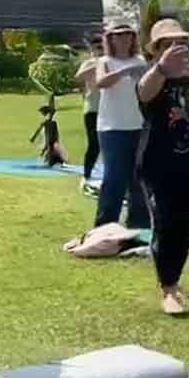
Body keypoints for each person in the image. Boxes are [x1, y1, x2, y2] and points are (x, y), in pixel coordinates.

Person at [137, 19, 189, 316]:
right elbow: (143, 94)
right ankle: (168, 288)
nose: (175, 49)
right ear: (155, 50)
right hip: (158, 166)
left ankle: (173, 279)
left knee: (184, 228)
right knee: (165, 224)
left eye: (179, 43)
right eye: (167, 44)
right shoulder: (153, 79)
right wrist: (161, 68)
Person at [94, 22, 149, 230]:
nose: (124, 38)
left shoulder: (141, 60)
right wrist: (126, 70)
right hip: (112, 127)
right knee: (114, 177)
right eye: (118, 35)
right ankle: (105, 225)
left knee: (139, 176)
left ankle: (139, 223)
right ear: (111, 39)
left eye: (128, 35)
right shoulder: (105, 61)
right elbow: (101, 82)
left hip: (139, 125)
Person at [75, 33, 104, 194]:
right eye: (97, 46)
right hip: (93, 108)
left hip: (110, 110)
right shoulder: (90, 63)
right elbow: (78, 78)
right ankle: (86, 176)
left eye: (102, 45)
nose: (100, 49)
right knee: (94, 144)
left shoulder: (111, 62)